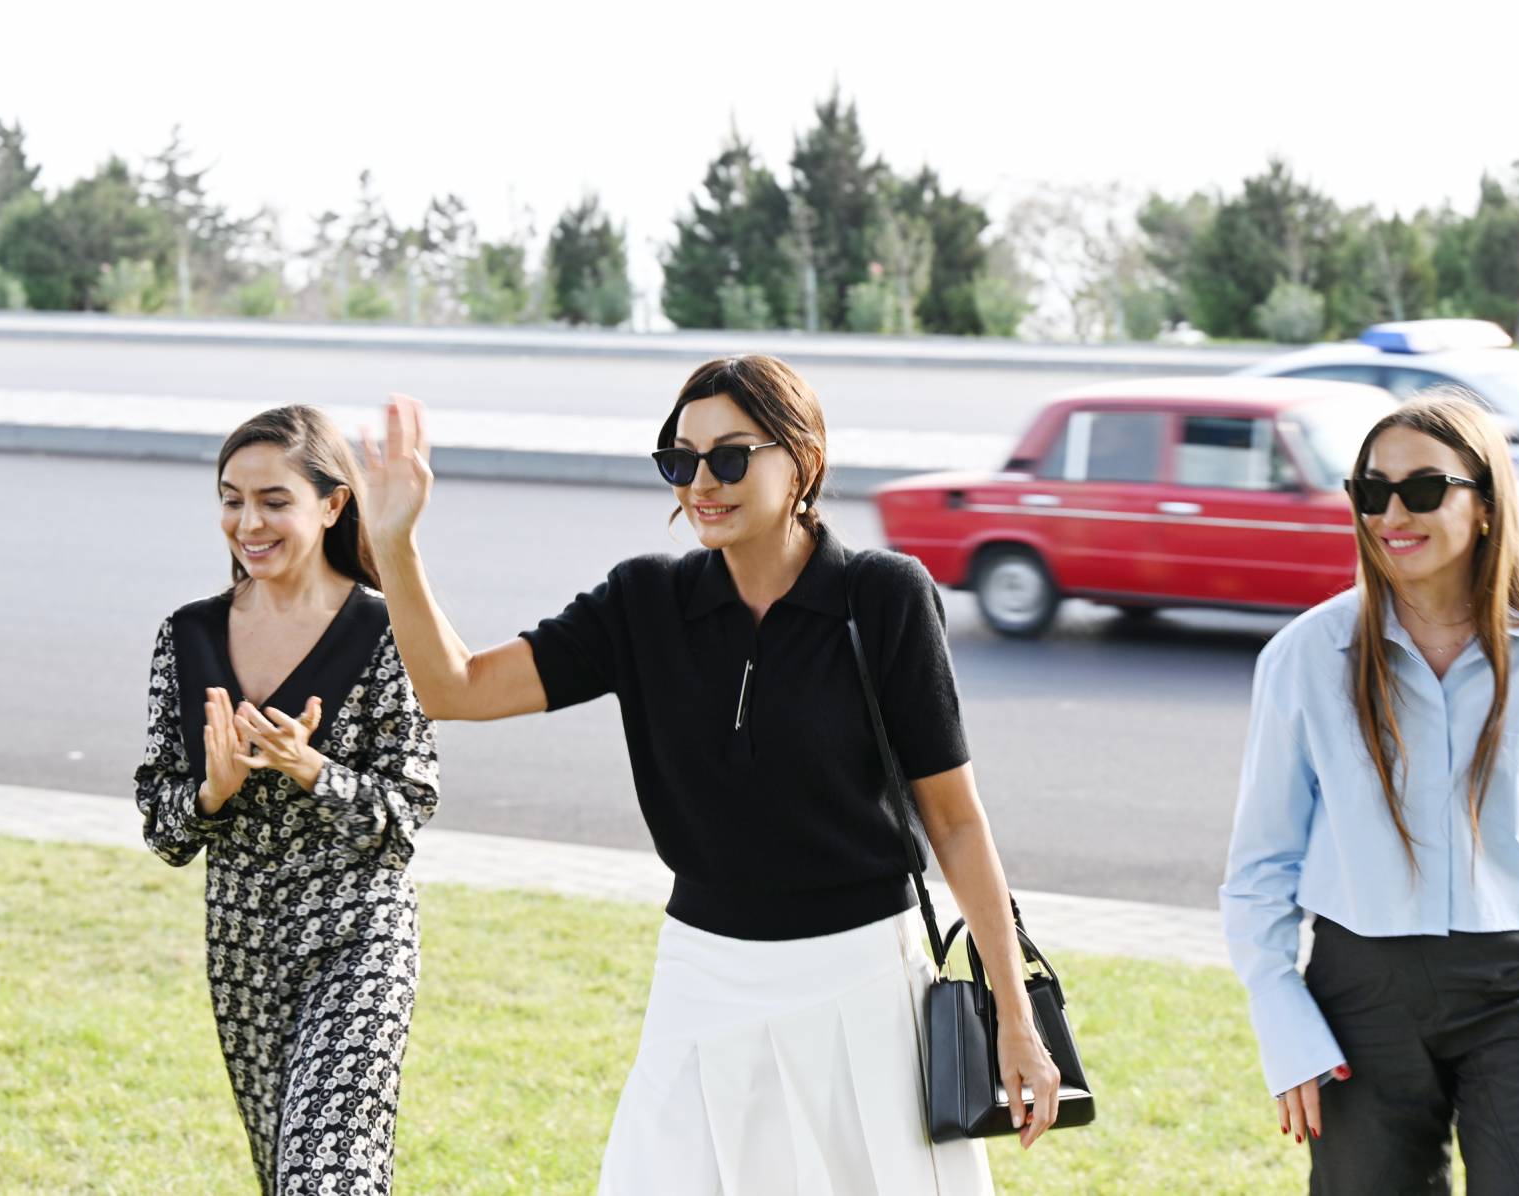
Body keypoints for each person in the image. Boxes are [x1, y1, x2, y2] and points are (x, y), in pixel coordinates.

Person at [355, 355, 1058, 1194]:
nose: (701, 483)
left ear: (800, 459)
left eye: (730, 457)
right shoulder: (643, 602)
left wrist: (1015, 1015)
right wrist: (395, 544)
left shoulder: (882, 597)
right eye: (679, 460)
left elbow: (955, 822)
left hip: (862, 977)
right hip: (703, 976)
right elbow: (454, 688)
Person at [1221, 392, 1519, 1194]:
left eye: (1424, 489)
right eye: (1371, 490)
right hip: (1361, 992)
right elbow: (1261, 866)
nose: (1394, 512)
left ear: (1486, 505)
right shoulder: (1305, 658)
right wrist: (1283, 1021)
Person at [131, 404, 441, 1195]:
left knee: (325, 1173)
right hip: (244, 953)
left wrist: (311, 769)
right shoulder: (188, 635)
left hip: (358, 946)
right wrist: (213, 790)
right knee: (286, 1174)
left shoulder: (389, 632)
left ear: (333, 505)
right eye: (231, 498)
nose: (247, 522)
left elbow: (403, 818)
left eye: (274, 500)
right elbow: (163, 830)